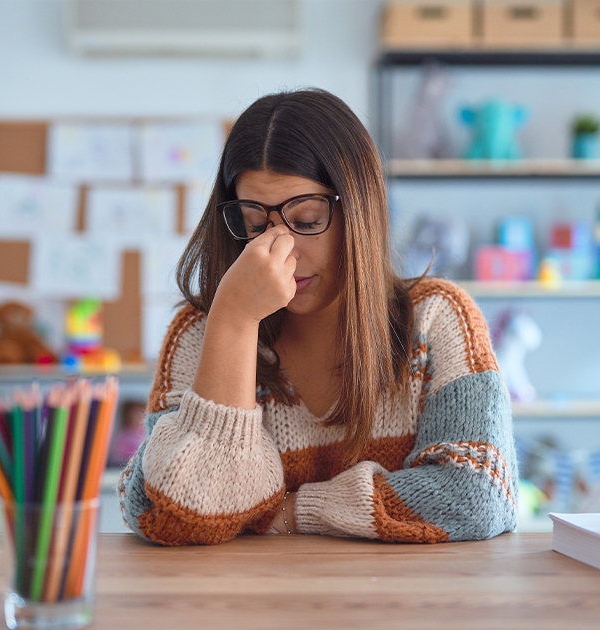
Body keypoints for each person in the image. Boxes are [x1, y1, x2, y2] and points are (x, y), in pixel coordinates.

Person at [118, 88, 517, 546]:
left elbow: (477, 494)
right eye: (254, 223)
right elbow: (166, 513)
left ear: (360, 211)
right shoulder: (204, 331)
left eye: (306, 221)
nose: (277, 250)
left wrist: (286, 512)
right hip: (251, 611)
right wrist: (234, 324)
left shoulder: (436, 317)